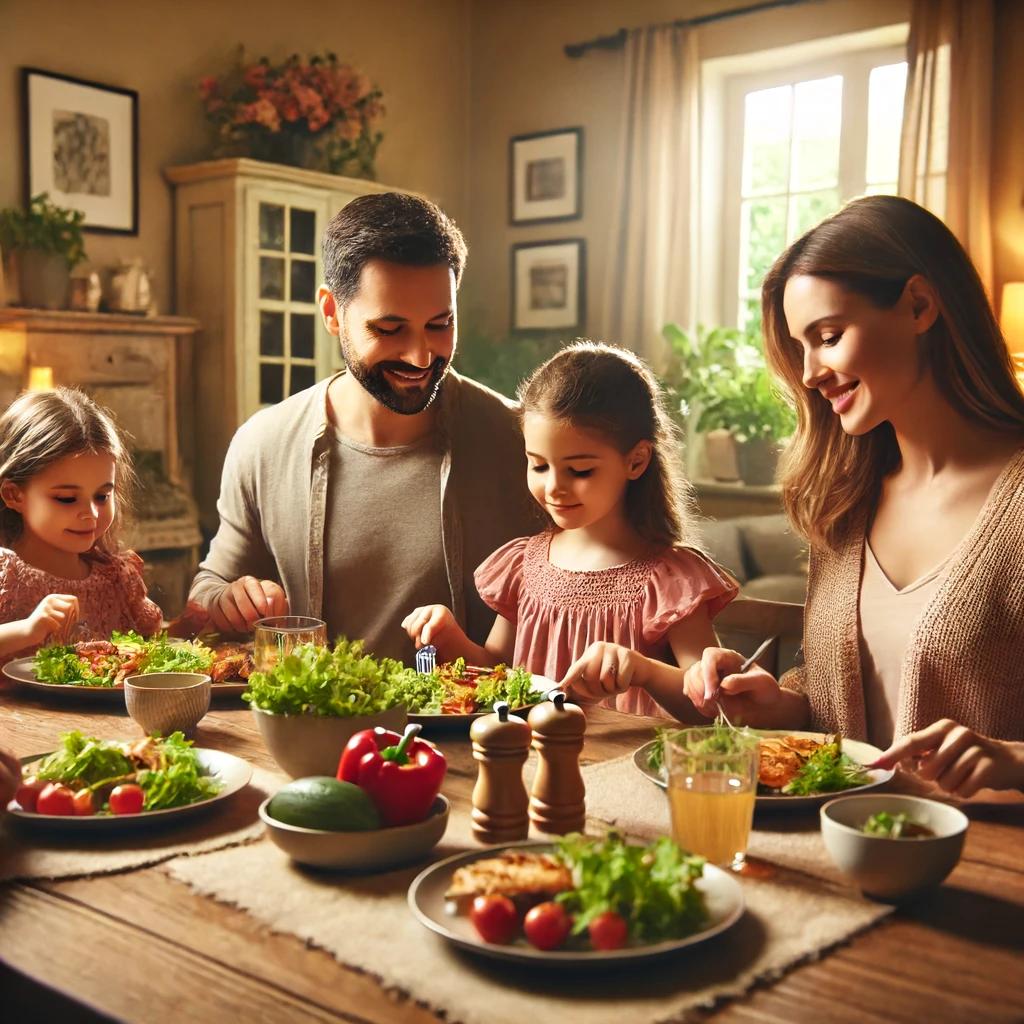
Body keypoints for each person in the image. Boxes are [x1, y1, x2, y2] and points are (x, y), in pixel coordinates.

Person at [684, 195, 1024, 797]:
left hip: (985, 869)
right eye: (801, 347)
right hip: (838, 856)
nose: (811, 371)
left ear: (919, 305)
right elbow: (836, 705)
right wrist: (776, 701)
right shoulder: (845, 502)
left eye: (829, 335)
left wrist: (1014, 761)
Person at [188, 192, 538, 662]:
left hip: (468, 733)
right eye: (389, 330)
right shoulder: (263, 444)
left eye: (440, 324)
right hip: (311, 731)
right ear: (332, 313)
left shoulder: (522, 443)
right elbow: (207, 590)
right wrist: (225, 600)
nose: (420, 356)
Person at [403, 341, 738, 720]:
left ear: (637, 460)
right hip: (532, 766)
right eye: (539, 466)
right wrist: (451, 639)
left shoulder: (670, 580)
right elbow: (498, 670)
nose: (554, 487)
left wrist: (644, 671)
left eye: (579, 471)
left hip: (626, 768)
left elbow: (710, 704)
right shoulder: (523, 565)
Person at [0, 388, 163, 662]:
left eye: (102, 496)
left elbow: (152, 648)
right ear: (14, 495)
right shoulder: (6, 578)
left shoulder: (117, 579)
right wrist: (26, 630)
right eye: (67, 499)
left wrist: (194, 623)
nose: (90, 513)